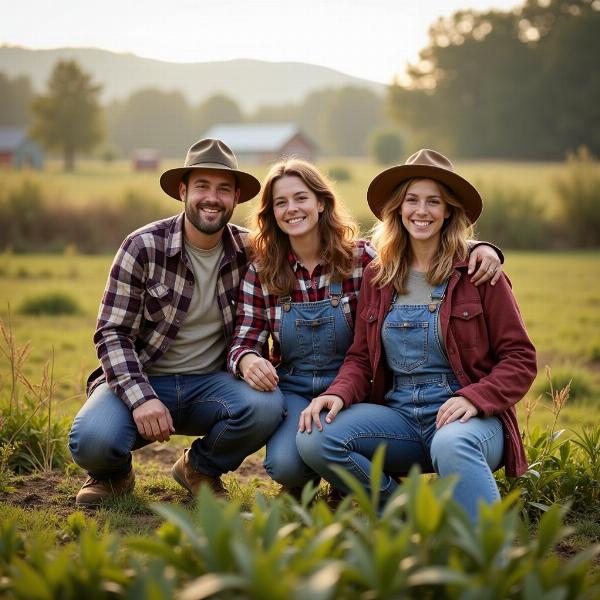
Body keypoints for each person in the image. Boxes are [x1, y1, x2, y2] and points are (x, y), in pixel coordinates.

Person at [228, 158, 503, 497]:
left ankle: (468, 537)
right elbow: (245, 340)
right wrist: (246, 360)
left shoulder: (363, 261)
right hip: (308, 390)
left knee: (446, 444)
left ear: (321, 203)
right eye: (280, 203)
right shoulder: (267, 270)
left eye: (301, 198)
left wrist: (482, 249)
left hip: (376, 395)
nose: (291, 209)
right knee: (287, 462)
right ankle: (374, 497)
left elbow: (423, 248)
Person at [296, 149, 537, 520]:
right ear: (398, 208)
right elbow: (361, 357)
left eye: (433, 202)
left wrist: (475, 398)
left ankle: (490, 556)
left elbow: (520, 359)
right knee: (314, 438)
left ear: (448, 211)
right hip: (401, 417)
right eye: (412, 200)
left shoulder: (480, 275)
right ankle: (404, 512)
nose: (421, 211)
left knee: (454, 445)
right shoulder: (380, 276)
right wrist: (337, 394)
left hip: (467, 419)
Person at [68, 138, 285, 507]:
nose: (211, 198)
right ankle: (113, 475)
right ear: (183, 191)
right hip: (145, 375)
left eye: (223, 189)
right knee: (92, 440)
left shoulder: (252, 253)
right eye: (202, 186)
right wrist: (140, 399)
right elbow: (112, 334)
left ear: (236, 199)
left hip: (213, 385)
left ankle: (199, 468)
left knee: (266, 406)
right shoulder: (142, 246)